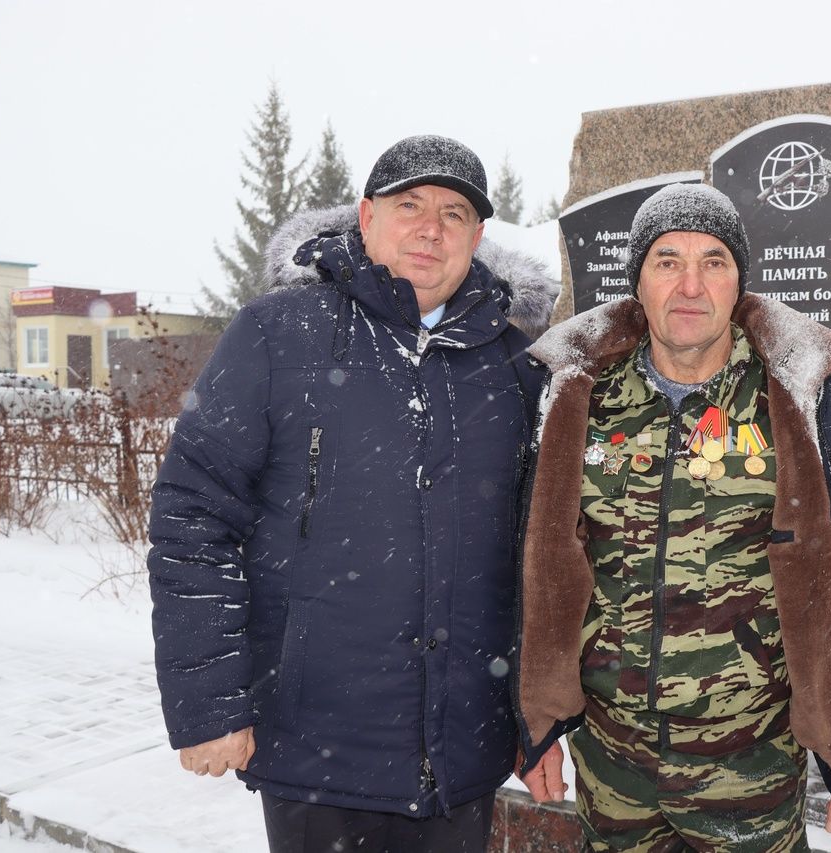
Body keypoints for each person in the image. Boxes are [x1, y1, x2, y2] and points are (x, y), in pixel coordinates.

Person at [148, 134, 562, 853]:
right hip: (317, 750)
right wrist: (211, 700)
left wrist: (537, 718)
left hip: (462, 756)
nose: (431, 228)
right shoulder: (279, 335)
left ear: (479, 236)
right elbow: (194, 512)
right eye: (410, 206)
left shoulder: (514, 364)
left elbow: (538, 556)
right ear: (366, 218)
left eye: (454, 211)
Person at [513, 183, 831, 851]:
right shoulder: (576, 399)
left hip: (750, 769)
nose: (689, 284)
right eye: (667, 260)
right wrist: (532, 725)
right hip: (612, 765)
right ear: (637, 280)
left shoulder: (811, 406)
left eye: (713, 261)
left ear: (738, 282)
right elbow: (531, 568)